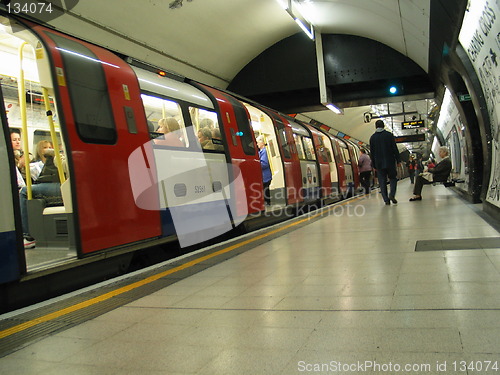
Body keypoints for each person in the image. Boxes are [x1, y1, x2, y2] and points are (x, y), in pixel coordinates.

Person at [369, 120, 401, 205]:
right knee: (393, 178)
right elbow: (394, 148)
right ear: (383, 126)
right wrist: (398, 160)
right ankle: (392, 194)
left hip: (379, 164)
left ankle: (386, 200)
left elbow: (372, 152)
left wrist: (374, 165)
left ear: (376, 126)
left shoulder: (372, 138)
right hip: (390, 162)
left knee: (382, 181)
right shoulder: (389, 135)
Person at [257, 136, 272, 205]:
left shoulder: (264, 151)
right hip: (264, 175)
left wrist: (255, 165)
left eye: (258, 143)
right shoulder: (261, 152)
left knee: (265, 189)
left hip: (265, 175)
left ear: (262, 143)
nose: (257, 144)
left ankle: (267, 202)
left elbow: (264, 164)